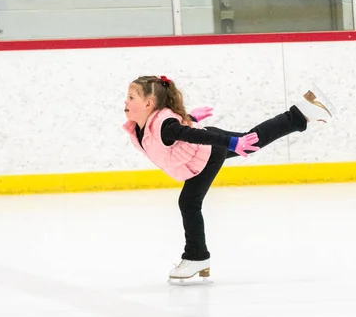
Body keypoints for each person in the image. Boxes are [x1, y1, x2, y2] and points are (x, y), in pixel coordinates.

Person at [122, 75, 334, 283]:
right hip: (203, 148)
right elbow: (182, 133)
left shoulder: (164, 126)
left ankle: (196, 257)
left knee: (189, 202)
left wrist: (230, 143)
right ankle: (300, 113)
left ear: (149, 103)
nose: (126, 101)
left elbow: (193, 135)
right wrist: (193, 121)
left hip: (206, 153)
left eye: (131, 97)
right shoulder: (145, 127)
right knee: (250, 140)